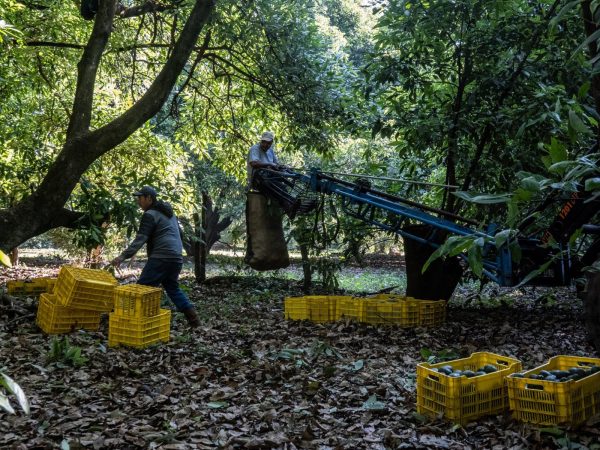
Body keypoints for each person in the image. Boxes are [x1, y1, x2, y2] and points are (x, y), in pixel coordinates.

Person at [110, 186, 200, 328]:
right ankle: (194, 320)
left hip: (161, 258)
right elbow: (180, 235)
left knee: (142, 289)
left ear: (149, 198)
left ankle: (133, 323)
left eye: (140, 198)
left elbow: (141, 239)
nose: (138, 201)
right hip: (176, 258)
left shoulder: (150, 214)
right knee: (172, 288)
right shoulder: (169, 214)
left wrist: (122, 256)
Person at [247, 131, 300, 218]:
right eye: (264, 142)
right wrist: (269, 164)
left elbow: (276, 165)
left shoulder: (270, 151)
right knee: (275, 185)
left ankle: (290, 206)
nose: (265, 145)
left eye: (268, 143)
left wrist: (285, 168)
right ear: (261, 141)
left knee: (283, 180)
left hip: (269, 177)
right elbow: (254, 163)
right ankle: (290, 203)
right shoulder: (255, 149)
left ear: (271, 143)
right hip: (258, 180)